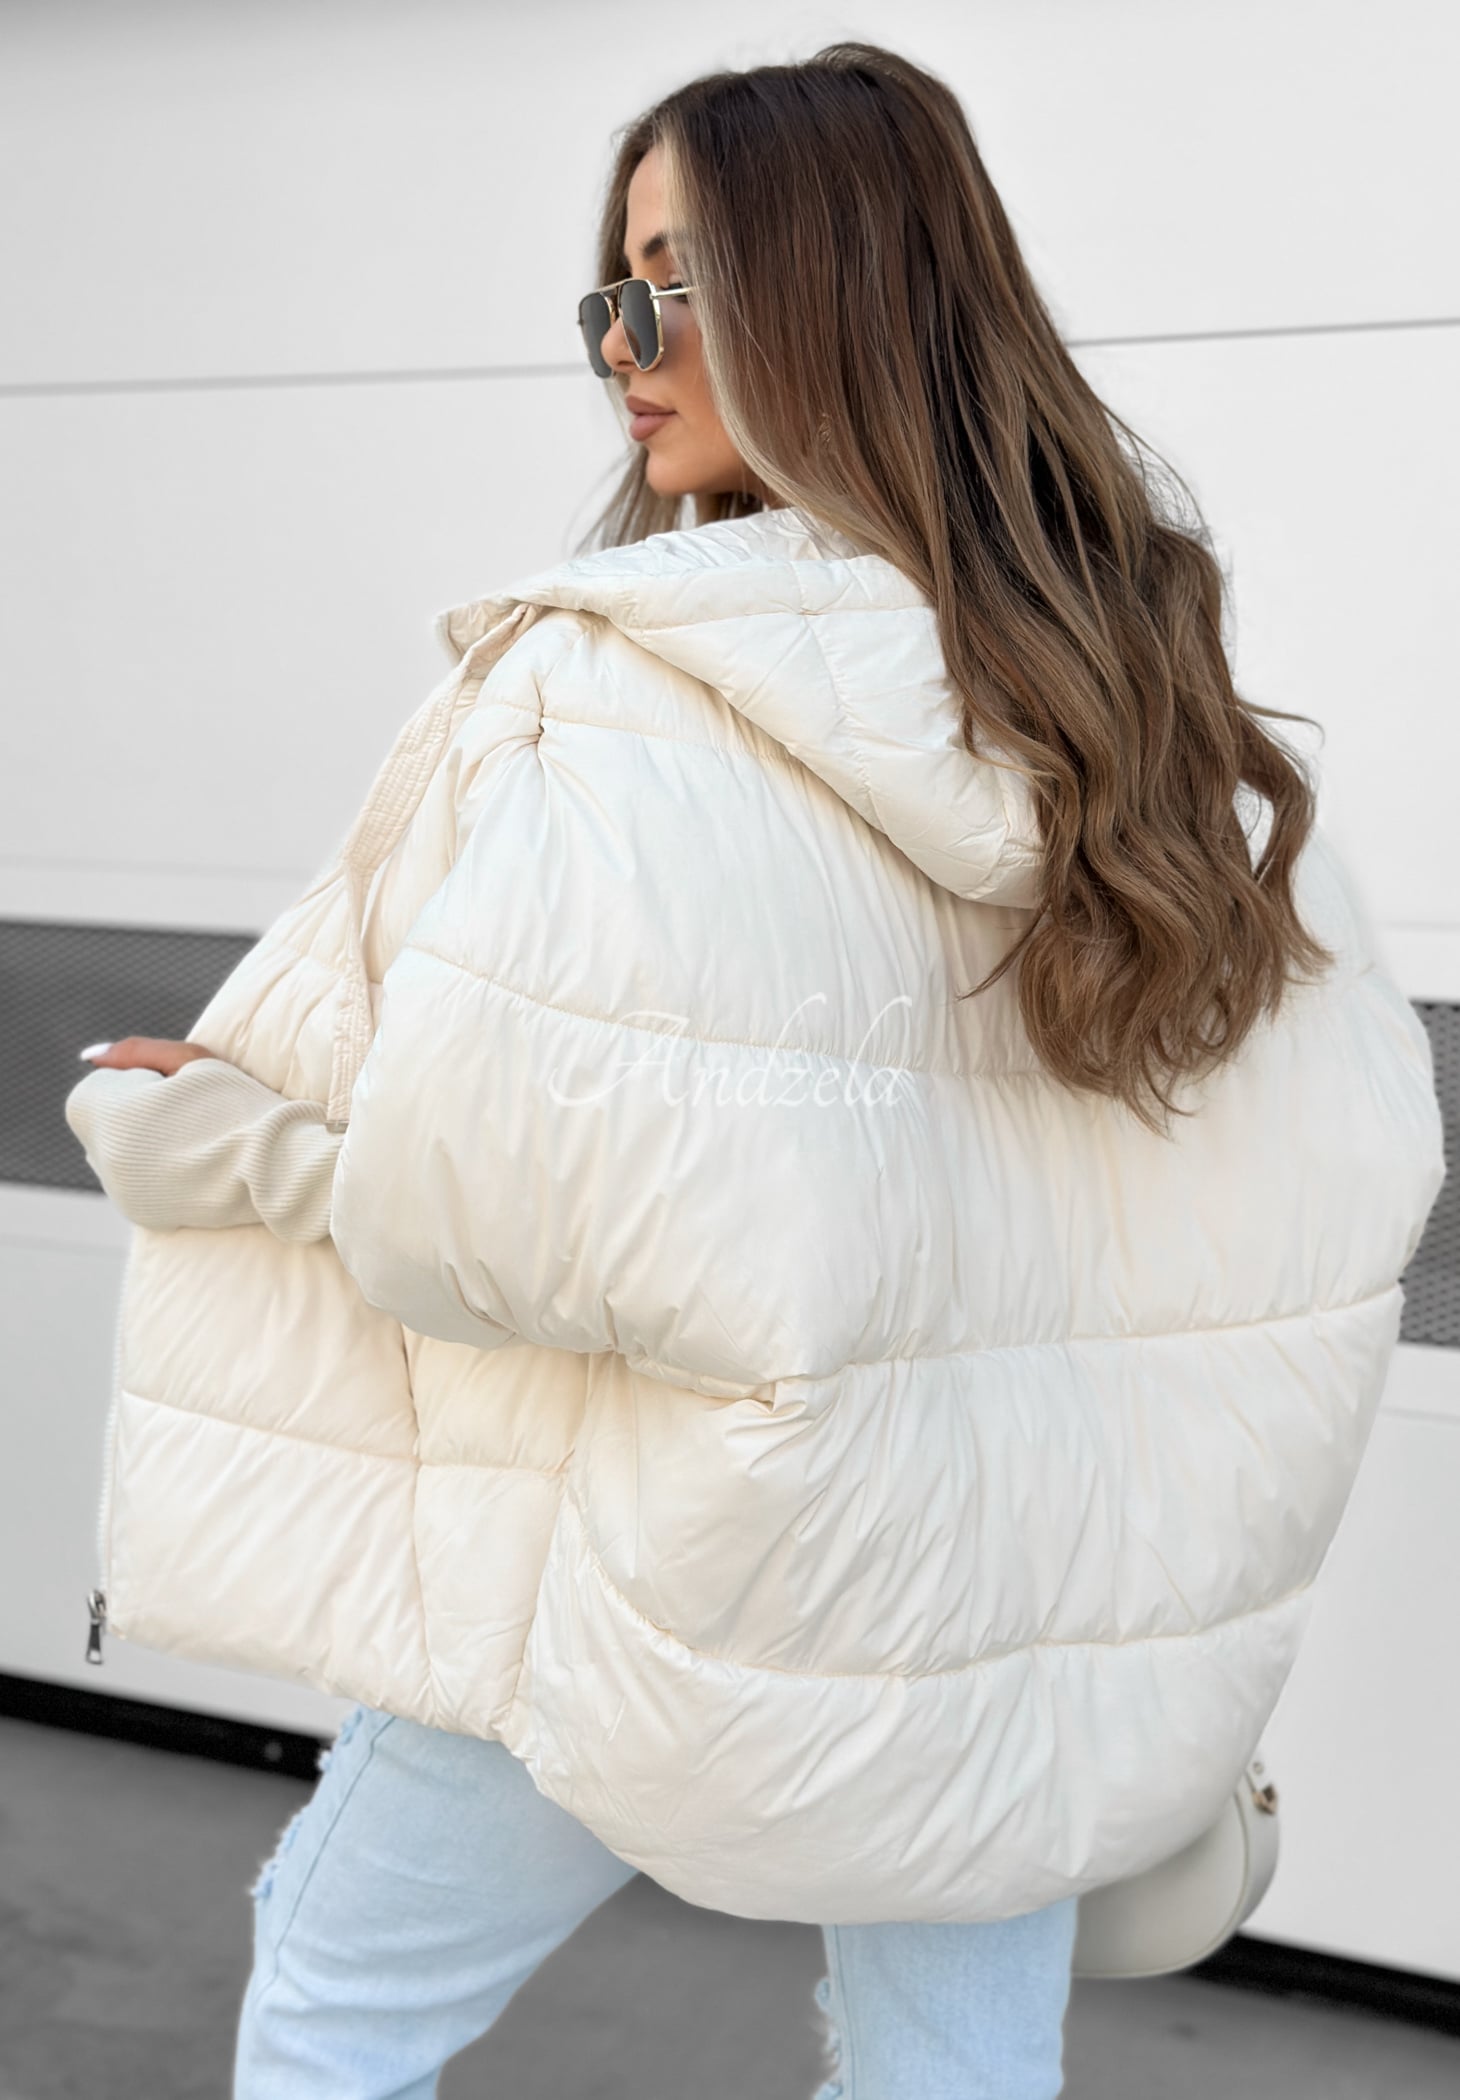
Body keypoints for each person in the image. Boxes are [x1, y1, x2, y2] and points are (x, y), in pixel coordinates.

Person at [63, 40, 1444, 2100]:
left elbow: (520, 1198)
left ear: (851, 300)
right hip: (1000, 1595)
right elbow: (1324, 1183)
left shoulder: (616, 694)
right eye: (612, 291)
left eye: (680, 284)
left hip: (658, 1554)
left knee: (340, 2005)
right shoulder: (1154, 710)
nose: (623, 350)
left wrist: (233, 1146)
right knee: (954, 2067)